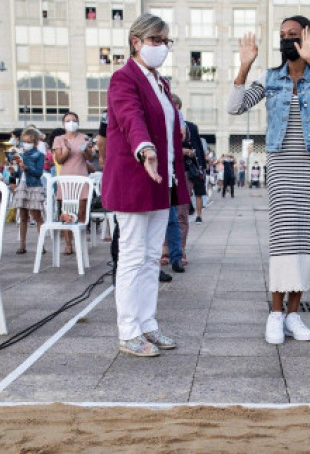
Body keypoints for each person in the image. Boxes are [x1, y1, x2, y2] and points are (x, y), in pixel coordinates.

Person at [228, 16, 310, 345]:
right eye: (282, 36)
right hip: (281, 165)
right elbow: (233, 107)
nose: (287, 40)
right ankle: (275, 313)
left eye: (293, 35)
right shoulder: (270, 79)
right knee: (283, 240)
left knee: (307, 238)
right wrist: (244, 66)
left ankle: (294, 314)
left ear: (308, 38)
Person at [103, 13, 188, 357]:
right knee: (133, 257)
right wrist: (146, 147)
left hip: (160, 180)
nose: (162, 47)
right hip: (135, 179)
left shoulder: (160, 82)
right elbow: (129, 116)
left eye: (166, 41)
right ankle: (128, 330)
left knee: (154, 257)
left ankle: (147, 323)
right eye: (155, 41)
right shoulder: (123, 78)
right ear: (136, 42)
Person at [51, 112, 92, 255]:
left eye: (74, 120)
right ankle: (68, 245)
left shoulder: (84, 137)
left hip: (81, 176)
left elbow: (89, 157)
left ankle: (80, 241)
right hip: (66, 178)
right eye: (68, 121)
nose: (71, 123)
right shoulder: (59, 139)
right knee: (66, 213)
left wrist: (87, 149)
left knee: (81, 212)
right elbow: (60, 160)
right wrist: (67, 150)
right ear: (63, 124)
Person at [12, 128, 46, 254]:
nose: (26, 144)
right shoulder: (22, 154)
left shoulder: (39, 155)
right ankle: (22, 244)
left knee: (37, 216)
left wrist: (26, 168)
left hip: (34, 186)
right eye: (24, 141)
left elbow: (38, 173)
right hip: (23, 185)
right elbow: (20, 173)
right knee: (23, 215)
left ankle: (41, 244)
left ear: (35, 142)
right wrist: (14, 172)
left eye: (29, 141)